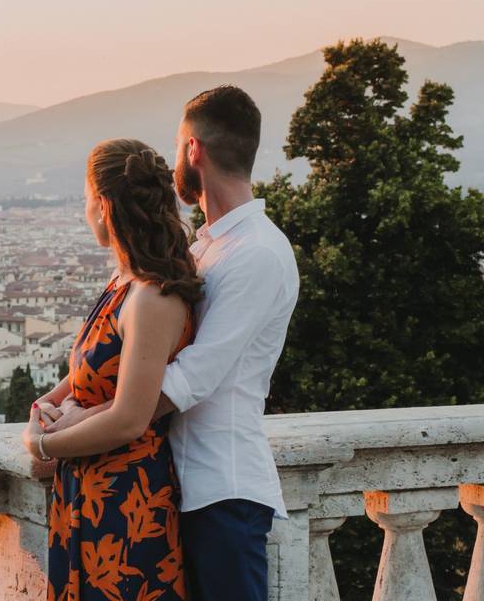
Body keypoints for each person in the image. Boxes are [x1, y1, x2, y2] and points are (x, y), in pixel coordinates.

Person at [46, 86, 300, 601]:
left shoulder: (256, 254)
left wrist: (79, 422)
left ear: (193, 150)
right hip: (175, 484)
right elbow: (136, 355)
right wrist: (63, 399)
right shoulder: (208, 247)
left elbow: (188, 379)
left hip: (220, 487)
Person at [22, 138, 201, 601]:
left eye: (86, 199)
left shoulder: (151, 297)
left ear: (102, 205)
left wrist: (43, 443)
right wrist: (47, 403)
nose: (85, 211)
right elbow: (92, 370)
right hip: (89, 496)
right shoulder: (125, 284)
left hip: (127, 504)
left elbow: (130, 416)